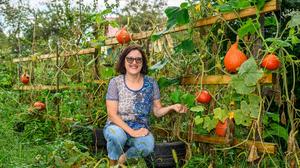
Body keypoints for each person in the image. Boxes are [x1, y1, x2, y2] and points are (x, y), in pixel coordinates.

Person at [103, 45, 188, 167]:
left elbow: (157, 111)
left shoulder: (151, 83)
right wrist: (132, 132)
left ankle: (122, 160)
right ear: (124, 61)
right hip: (117, 125)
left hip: (140, 128)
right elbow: (112, 114)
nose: (134, 62)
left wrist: (172, 107)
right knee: (117, 136)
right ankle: (112, 164)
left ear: (143, 63)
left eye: (138, 59)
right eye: (130, 59)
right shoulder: (115, 82)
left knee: (147, 146)